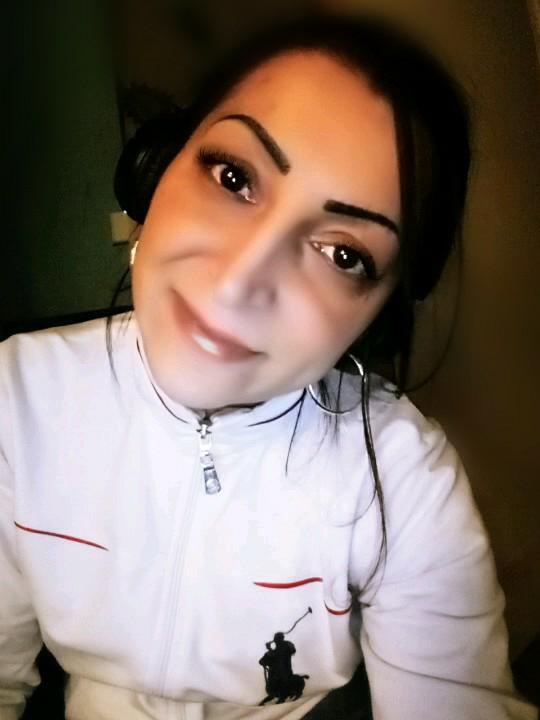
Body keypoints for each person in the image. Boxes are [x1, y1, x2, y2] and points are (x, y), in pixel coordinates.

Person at [0, 11, 537, 720]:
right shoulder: (17, 399)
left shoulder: (404, 478)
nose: (238, 283)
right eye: (233, 176)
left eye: (343, 254)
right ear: (156, 169)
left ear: (377, 314)